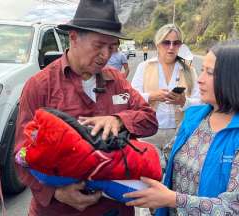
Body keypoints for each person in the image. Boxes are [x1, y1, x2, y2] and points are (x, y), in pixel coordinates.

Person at [14, 0, 158, 215]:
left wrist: (119, 120)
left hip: (113, 209)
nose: (106, 55)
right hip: (59, 210)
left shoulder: (117, 80)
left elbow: (150, 120)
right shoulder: (40, 86)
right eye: (98, 45)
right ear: (73, 37)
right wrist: (55, 192)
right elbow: (21, 154)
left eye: (112, 47)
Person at [124, 41, 239, 215]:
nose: (200, 79)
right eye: (202, 70)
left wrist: (172, 199)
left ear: (232, 79)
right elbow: (167, 158)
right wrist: (127, 151)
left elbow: (232, 207)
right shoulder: (194, 117)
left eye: (210, 72)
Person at [131, 23, 201, 168]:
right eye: (166, 42)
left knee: (174, 175)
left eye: (176, 43)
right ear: (157, 44)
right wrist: (152, 96)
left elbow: (201, 102)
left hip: (180, 133)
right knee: (148, 173)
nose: (171, 47)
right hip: (148, 133)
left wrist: (184, 102)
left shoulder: (189, 71)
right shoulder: (144, 67)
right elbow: (131, 98)